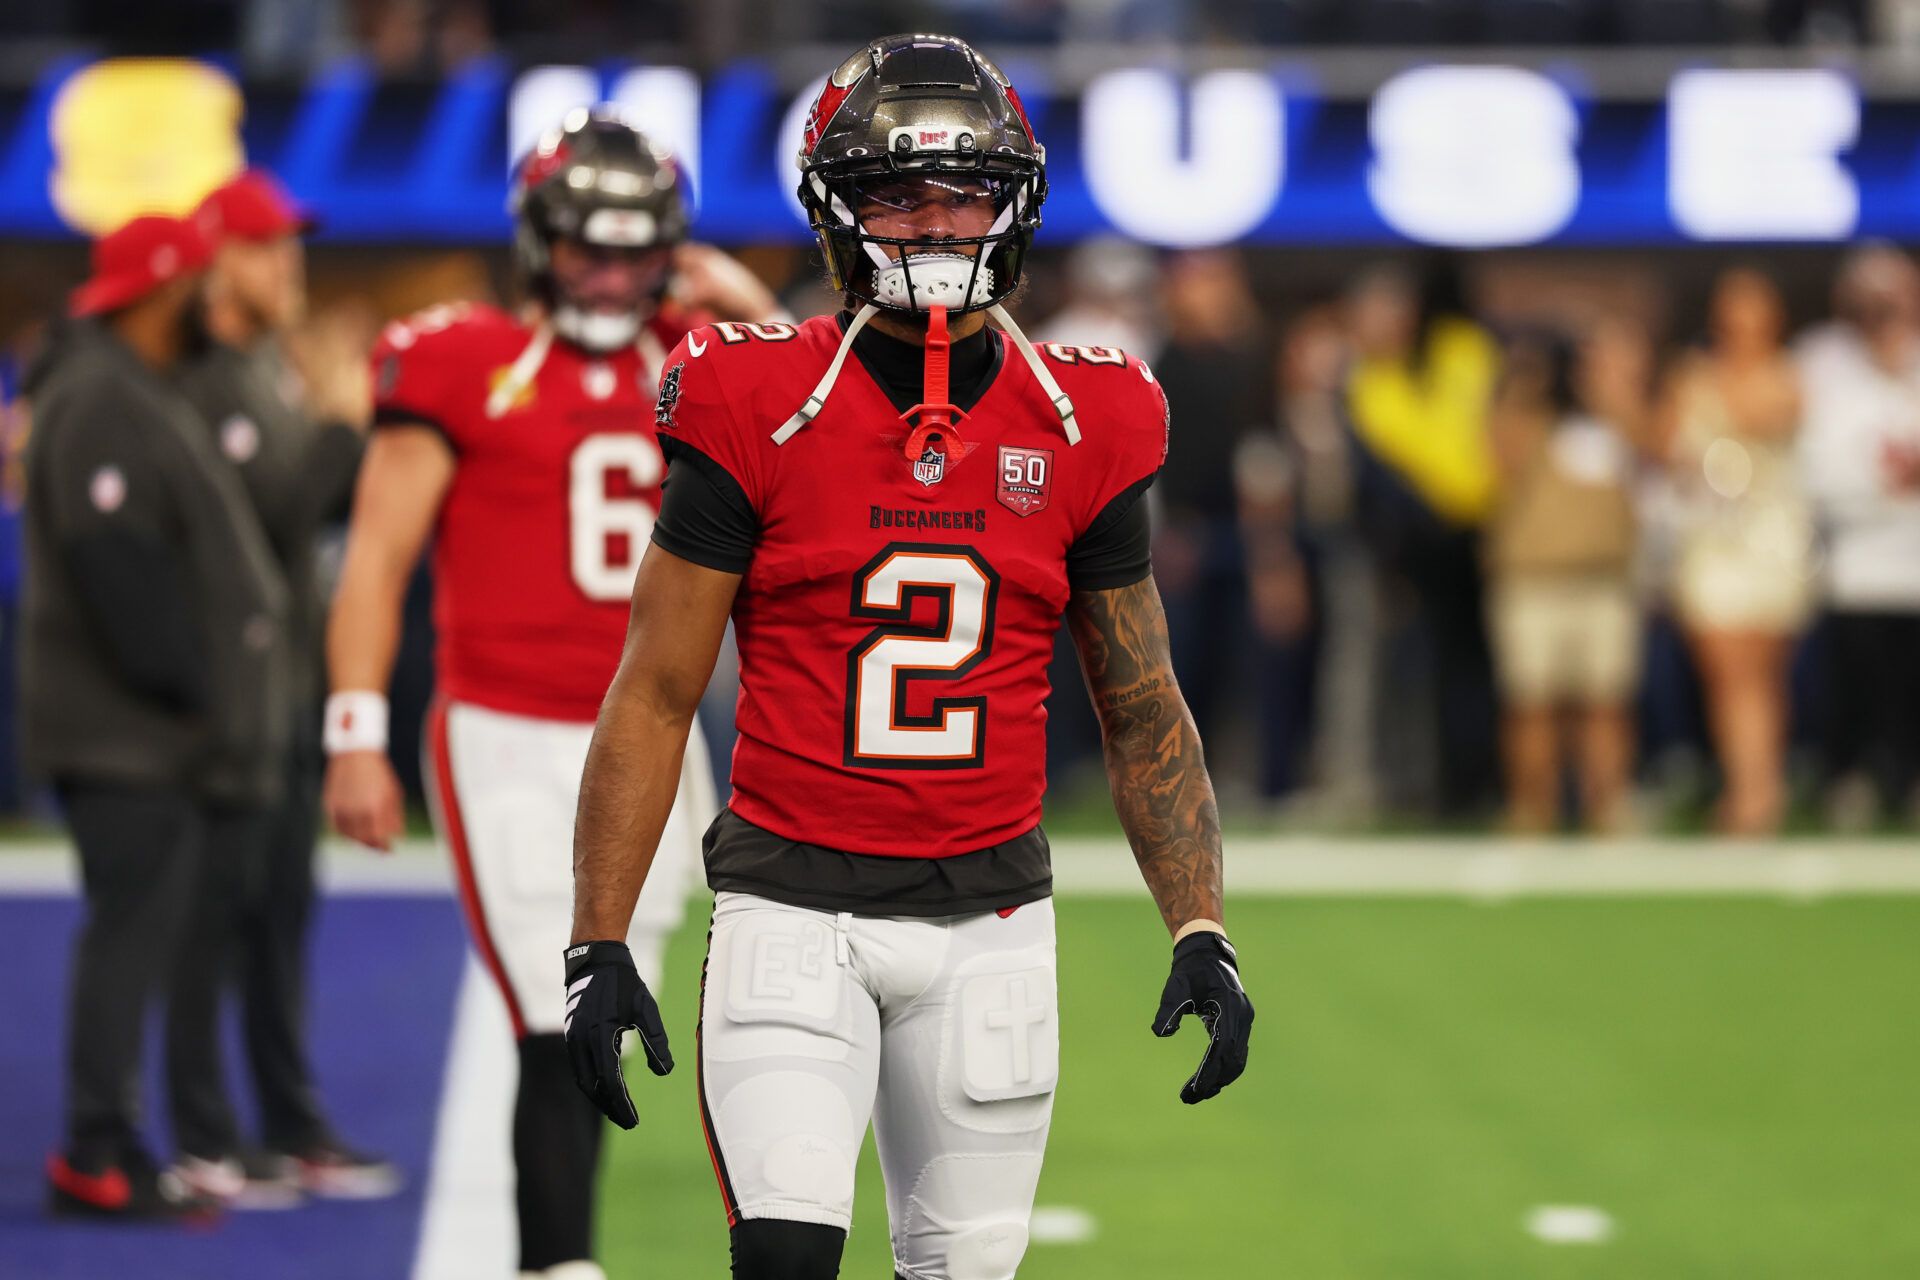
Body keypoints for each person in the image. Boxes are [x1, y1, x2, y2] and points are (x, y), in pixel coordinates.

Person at [561, 35, 1256, 1280]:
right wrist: (597, 940)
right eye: (897, 193)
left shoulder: (1087, 416)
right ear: (837, 210)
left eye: (965, 192)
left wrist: (1201, 924)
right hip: (791, 905)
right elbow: (655, 690)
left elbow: (1143, 704)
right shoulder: (755, 396)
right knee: (785, 1257)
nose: (936, 222)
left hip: (990, 917)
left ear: (1014, 206)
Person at [323, 109, 782, 1279]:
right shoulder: (461, 358)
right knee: (553, 998)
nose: (612, 277)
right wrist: (355, 730)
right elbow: (375, 557)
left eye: (636, 252)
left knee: (621, 1002)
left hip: (655, 728)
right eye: (588, 247)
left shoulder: (702, 353)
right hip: (508, 726)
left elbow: (832, 412)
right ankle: (559, 1262)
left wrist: (742, 301)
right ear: (537, 241)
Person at [23, 212, 289, 1219]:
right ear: (161, 293)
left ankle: (113, 1138)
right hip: (121, 732)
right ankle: (97, 1146)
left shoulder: (131, 387)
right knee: (128, 938)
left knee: (138, 935)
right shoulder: (99, 393)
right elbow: (114, 564)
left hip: (139, 729)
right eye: (195, 289)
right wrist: (196, 689)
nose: (207, 307)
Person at [169, 168, 395, 1205]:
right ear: (219, 263)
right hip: (230, 701)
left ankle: (289, 1123)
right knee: (220, 921)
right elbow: (278, 512)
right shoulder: (204, 380)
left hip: (289, 687)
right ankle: (209, 1133)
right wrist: (345, 420)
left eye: (288, 244)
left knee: (278, 918)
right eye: (265, 248)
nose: (287, 264)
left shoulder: (263, 368)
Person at [1658, 267, 1812, 835]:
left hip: (1768, 536)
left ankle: (1761, 790)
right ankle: (1745, 788)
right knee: (1724, 671)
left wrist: (1704, 389)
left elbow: (1763, 415)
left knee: (1762, 672)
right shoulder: (1693, 373)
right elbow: (1665, 443)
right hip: (1712, 538)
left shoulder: (1786, 372)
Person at [1485, 324, 1647, 832]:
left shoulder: (1609, 420)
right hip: (1534, 581)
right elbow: (1502, 456)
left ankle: (1609, 809)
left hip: (1604, 579)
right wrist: (1525, 380)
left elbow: (1658, 446)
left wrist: (1608, 386)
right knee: (1531, 703)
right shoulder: (1523, 415)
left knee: (1607, 703)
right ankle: (1532, 809)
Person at [1796, 244, 1920, 826]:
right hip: (1856, 562)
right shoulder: (1822, 360)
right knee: (1854, 685)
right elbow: (1815, 463)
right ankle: (1854, 779)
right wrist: (1881, 480)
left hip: (1914, 556)